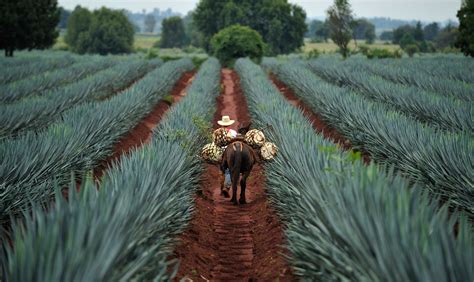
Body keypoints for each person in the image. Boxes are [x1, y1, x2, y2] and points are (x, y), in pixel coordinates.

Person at [217, 115, 238, 196]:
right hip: (231, 152)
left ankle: (222, 188)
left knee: (222, 170)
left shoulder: (218, 132)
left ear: (222, 124)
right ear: (229, 124)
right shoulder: (233, 132)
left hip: (221, 153)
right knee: (228, 171)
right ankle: (227, 187)